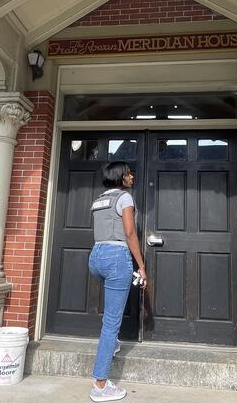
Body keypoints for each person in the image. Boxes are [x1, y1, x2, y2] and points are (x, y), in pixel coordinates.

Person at [88, 161, 147, 402]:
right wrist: (141, 267)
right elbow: (130, 233)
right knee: (111, 323)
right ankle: (100, 385)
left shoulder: (99, 200)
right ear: (120, 176)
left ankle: (110, 344)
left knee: (110, 315)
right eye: (129, 173)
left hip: (96, 257)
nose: (132, 177)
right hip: (116, 258)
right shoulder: (124, 198)